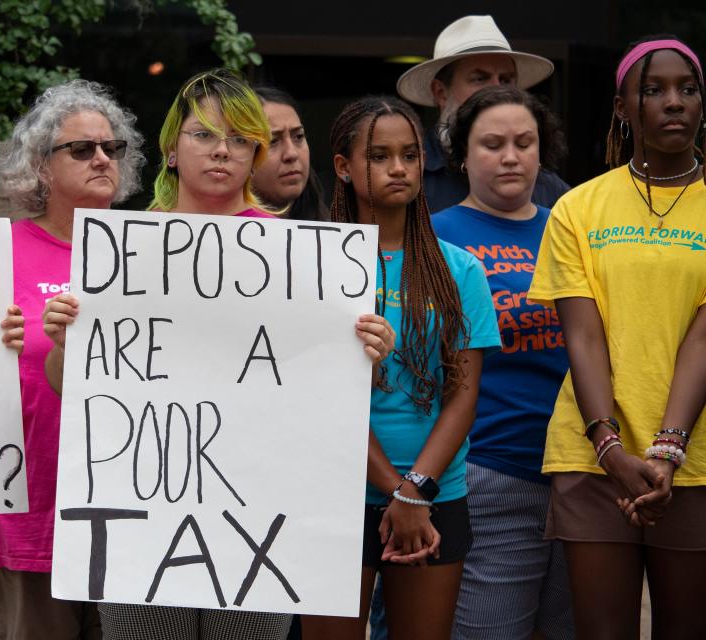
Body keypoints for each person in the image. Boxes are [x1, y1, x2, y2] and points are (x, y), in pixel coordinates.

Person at [42, 68, 394, 640]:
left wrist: (368, 353)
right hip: (144, 527)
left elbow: (334, 395)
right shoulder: (121, 252)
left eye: (239, 139)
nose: (221, 151)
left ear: (255, 154)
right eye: (204, 135)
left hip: (259, 526)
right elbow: (68, 387)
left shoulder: (301, 258)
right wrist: (66, 344)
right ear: (172, 150)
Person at [0, 78, 146, 639]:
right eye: (82, 148)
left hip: (132, 518)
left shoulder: (150, 255)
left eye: (111, 147)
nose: (102, 157)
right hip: (23, 516)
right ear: (41, 167)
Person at [300, 96, 500, 640]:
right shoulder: (314, 266)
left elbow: (462, 395)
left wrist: (416, 492)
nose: (398, 168)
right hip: (334, 492)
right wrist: (397, 491)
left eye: (410, 155)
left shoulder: (460, 270)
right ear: (343, 167)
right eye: (380, 155)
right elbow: (319, 398)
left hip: (435, 495)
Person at [528, 35, 706, 639]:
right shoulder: (579, 208)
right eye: (653, 90)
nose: (673, 102)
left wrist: (667, 451)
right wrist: (610, 449)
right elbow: (584, 338)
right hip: (592, 455)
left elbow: (704, 341)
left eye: (687, 89)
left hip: (696, 465)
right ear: (623, 109)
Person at [430, 85, 573, 639]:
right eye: (492, 144)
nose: (511, 156)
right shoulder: (435, 235)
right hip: (489, 472)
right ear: (462, 155)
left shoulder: (572, 229)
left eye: (524, 142)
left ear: (542, 151)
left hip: (581, 473)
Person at [396, 14, 569, 212]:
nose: (497, 90)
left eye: (505, 80)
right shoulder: (407, 174)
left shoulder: (549, 188)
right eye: (480, 79)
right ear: (441, 93)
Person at [251, 86, 329, 221]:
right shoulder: (216, 235)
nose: (291, 154)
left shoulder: (335, 235)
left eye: (298, 137)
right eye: (273, 141)